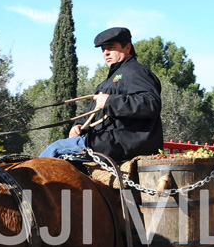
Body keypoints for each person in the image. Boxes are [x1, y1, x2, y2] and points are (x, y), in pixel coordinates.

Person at [40, 27, 163, 163]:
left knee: (56, 149)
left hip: (124, 141)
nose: (106, 54)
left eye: (111, 48)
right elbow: (93, 111)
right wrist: (78, 124)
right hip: (108, 140)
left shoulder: (136, 72)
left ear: (127, 48)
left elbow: (152, 103)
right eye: (103, 50)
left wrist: (110, 101)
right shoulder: (108, 81)